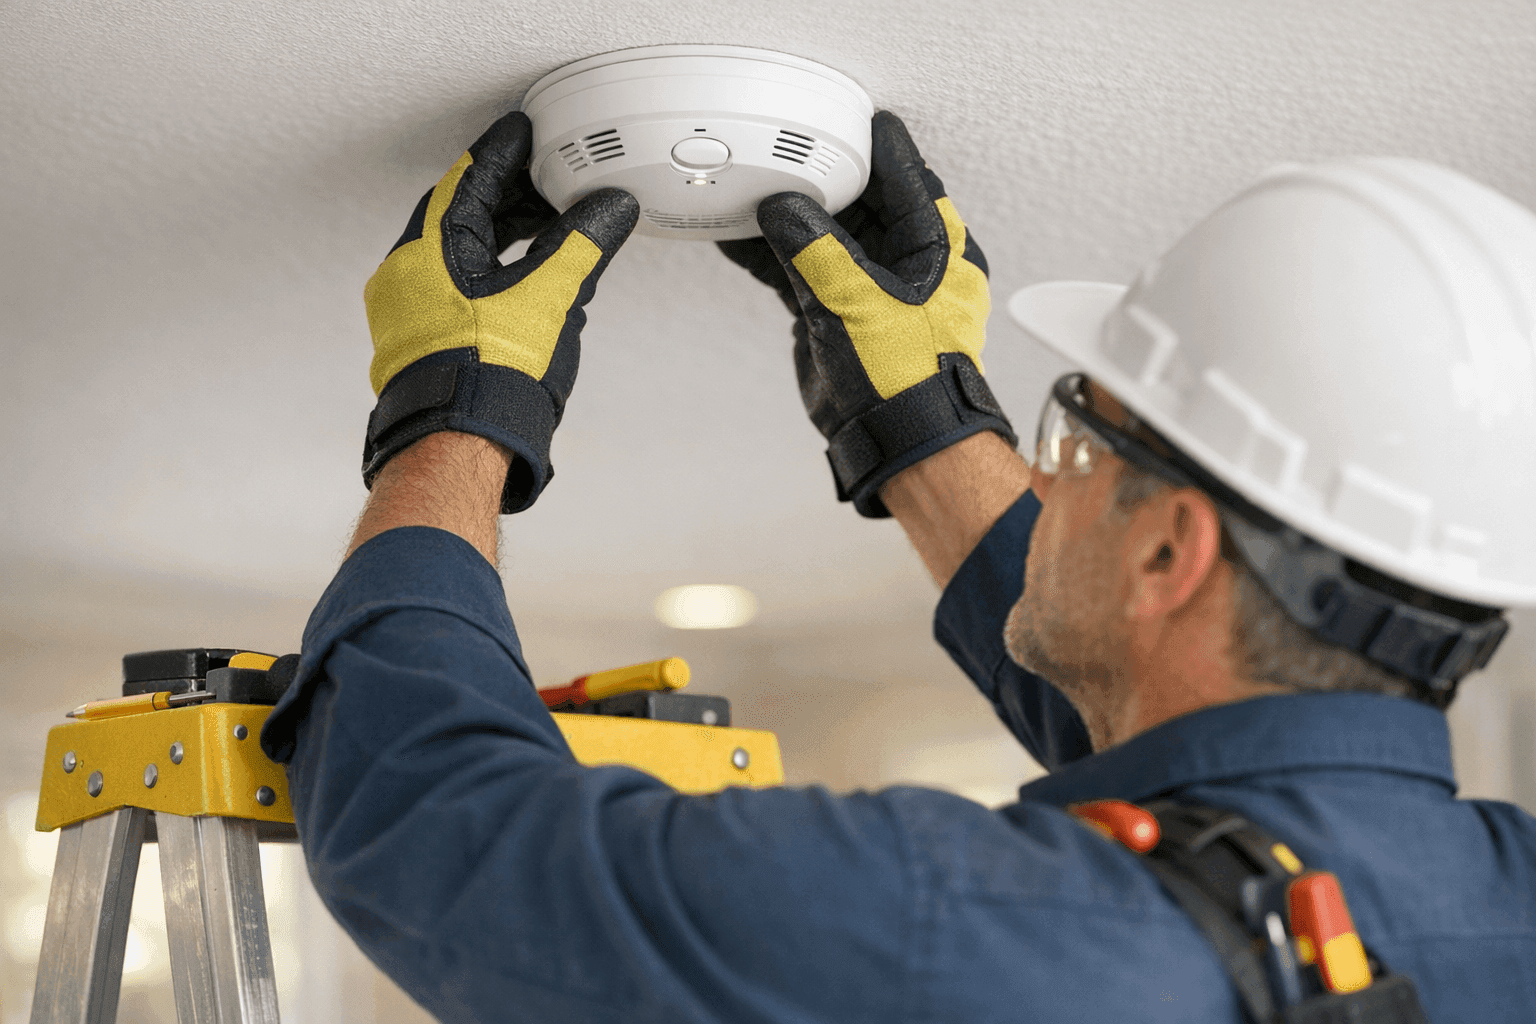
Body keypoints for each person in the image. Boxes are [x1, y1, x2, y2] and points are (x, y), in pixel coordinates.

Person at [260, 109, 1536, 1022]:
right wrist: (927, 421)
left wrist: (453, 413)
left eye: (1073, 443)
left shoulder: (947, 915)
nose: (1045, 481)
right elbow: (1204, 755)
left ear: (1167, 550)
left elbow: (445, 833)